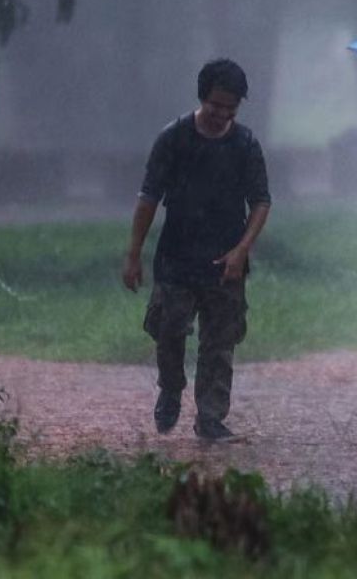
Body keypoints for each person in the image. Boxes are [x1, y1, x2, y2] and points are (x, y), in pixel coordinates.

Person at [122, 58, 271, 440]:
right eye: (216, 105)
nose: (222, 114)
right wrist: (134, 254)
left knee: (220, 343)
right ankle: (170, 388)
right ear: (202, 98)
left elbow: (260, 202)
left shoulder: (245, 144)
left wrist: (242, 250)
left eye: (230, 108)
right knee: (169, 331)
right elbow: (149, 198)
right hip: (177, 256)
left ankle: (210, 417)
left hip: (226, 260)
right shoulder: (173, 139)